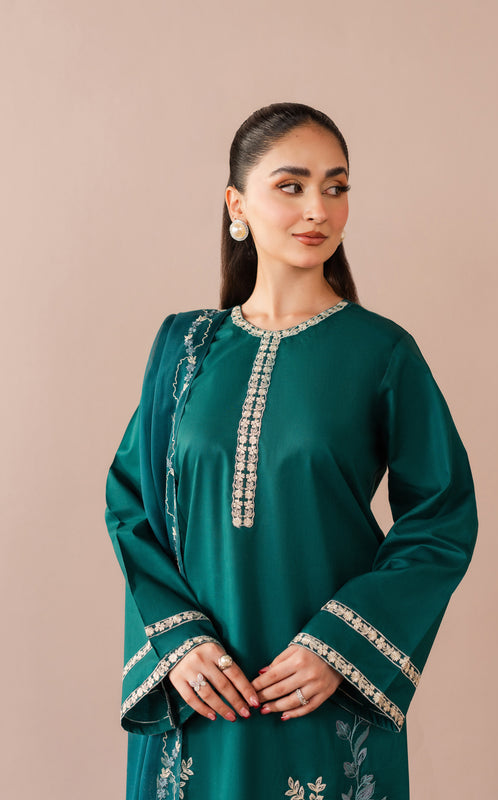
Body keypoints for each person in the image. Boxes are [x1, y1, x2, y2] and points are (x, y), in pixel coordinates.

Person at [105, 102, 478, 800]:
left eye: (335, 187)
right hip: (201, 696)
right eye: (291, 185)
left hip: (316, 698)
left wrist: (338, 646)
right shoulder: (185, 353)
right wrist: (178, 643)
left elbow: (441, 516)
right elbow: (131, 510)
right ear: (236, 205)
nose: (318, 209)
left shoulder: (381, 353)